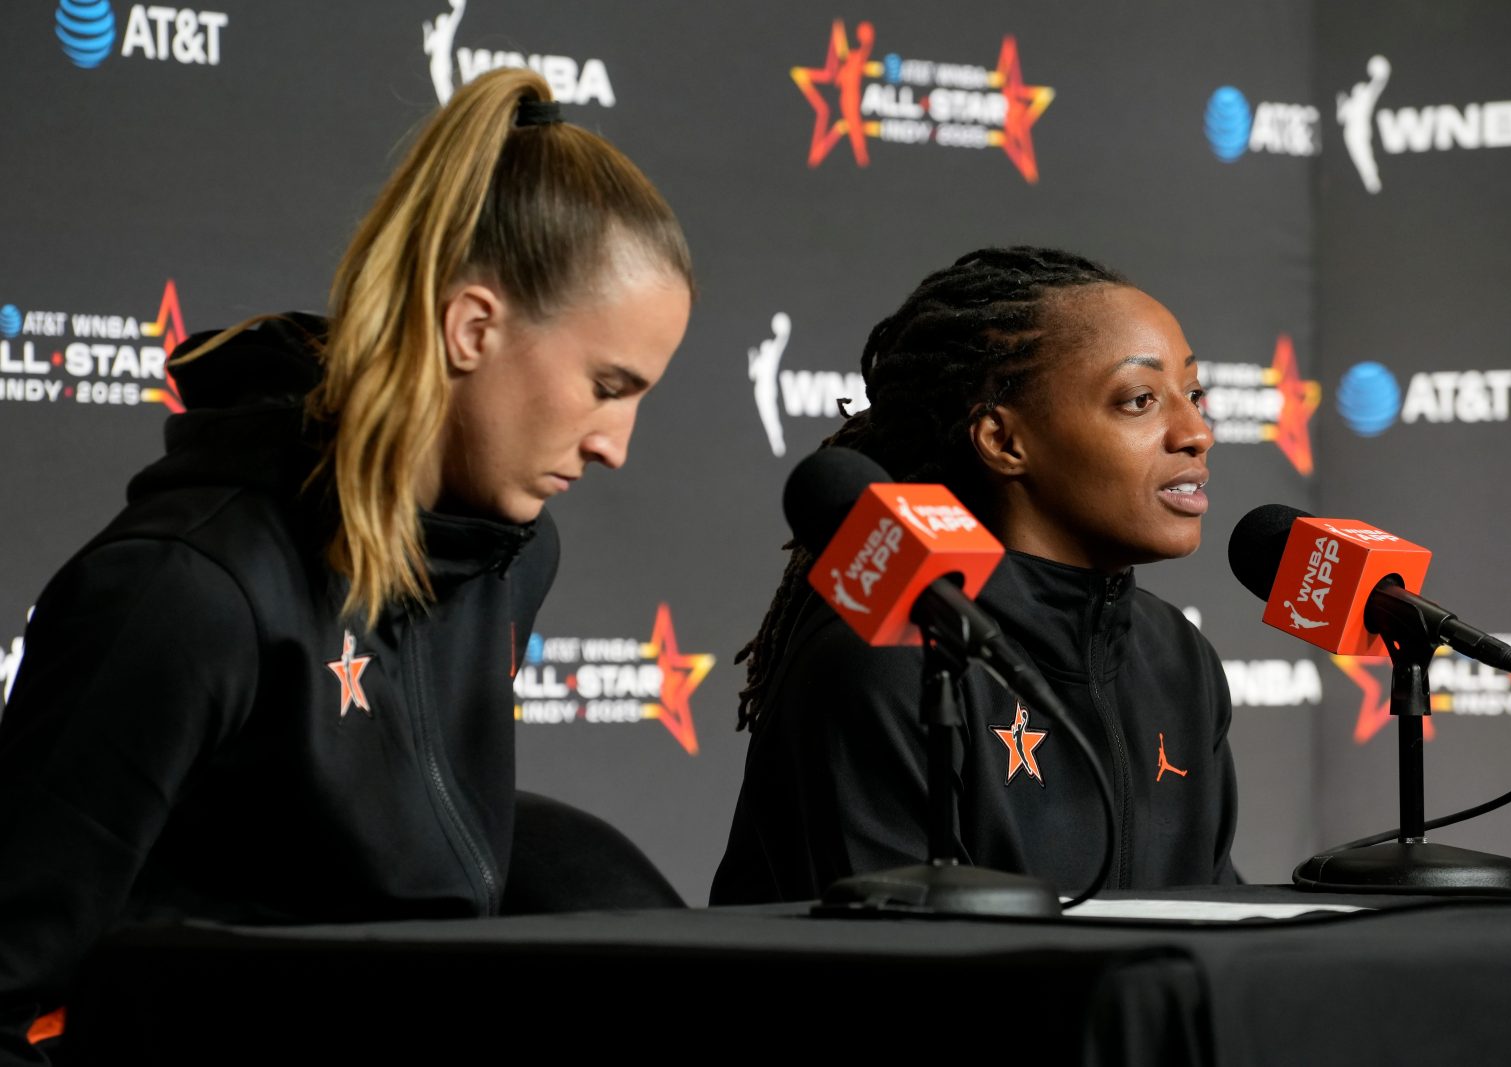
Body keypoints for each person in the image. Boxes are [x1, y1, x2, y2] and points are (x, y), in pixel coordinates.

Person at [0, 68, 692, 1060]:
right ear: (473, 327)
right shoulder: (185, 590)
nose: (615, 443)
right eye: (606, 385)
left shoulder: (515, 554)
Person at [711, 246, 1238, 905]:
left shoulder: (1178, 658)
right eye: (1139, 400)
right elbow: (882, 970)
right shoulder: (889, 650)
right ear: (1003, 439)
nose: (1197, 432)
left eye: (1192, 395)